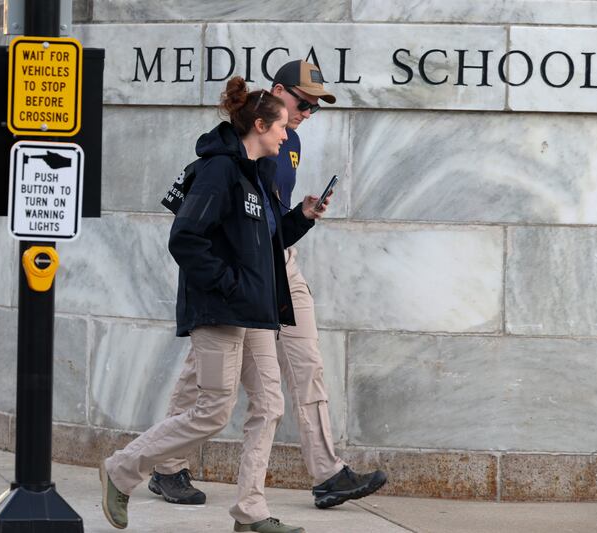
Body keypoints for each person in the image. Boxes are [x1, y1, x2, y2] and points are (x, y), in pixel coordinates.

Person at [148, 60, 387, 510]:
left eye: (315, 108)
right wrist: (227, 277)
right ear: (278, 92)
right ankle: (165, 466)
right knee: (204, 372)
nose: (306, 115)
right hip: (241, 272)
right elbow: (195, 223)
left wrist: (303, 217)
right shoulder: (242, 139)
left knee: (307, 363)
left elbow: (273, 219)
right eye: (303, 103)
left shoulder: (288, 140)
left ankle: (328, 473)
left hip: (280, 264)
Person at [100, 76, 328, 533]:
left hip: (256, 311)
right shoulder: (219, 171)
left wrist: (300, 219)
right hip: (223, 310)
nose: (288, 136)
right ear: (261, 125)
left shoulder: (258, 174)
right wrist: (230, 286)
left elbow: (265, 241)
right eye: (283, 126)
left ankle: (251, 511)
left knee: (269, 404)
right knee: (213, 412)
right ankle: (122, 469)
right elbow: (185, 239)